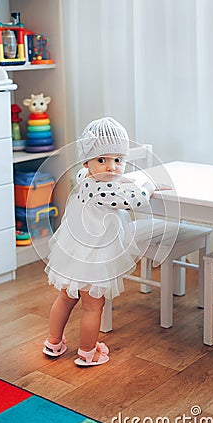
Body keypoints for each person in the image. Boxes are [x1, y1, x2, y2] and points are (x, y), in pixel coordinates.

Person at [43, 117, 157, 366]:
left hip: (73, 254)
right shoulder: (103, 190)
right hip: (94, 259)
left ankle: (53, 341)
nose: (112, 167)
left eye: (118, 160)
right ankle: (87, 352)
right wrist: (148, 186)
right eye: (102, 160)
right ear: (87, 161)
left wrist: (118, 177)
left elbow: (112, 182)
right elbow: (135, 200)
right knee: (93, 306)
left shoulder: (84, 177)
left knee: (66, 298)